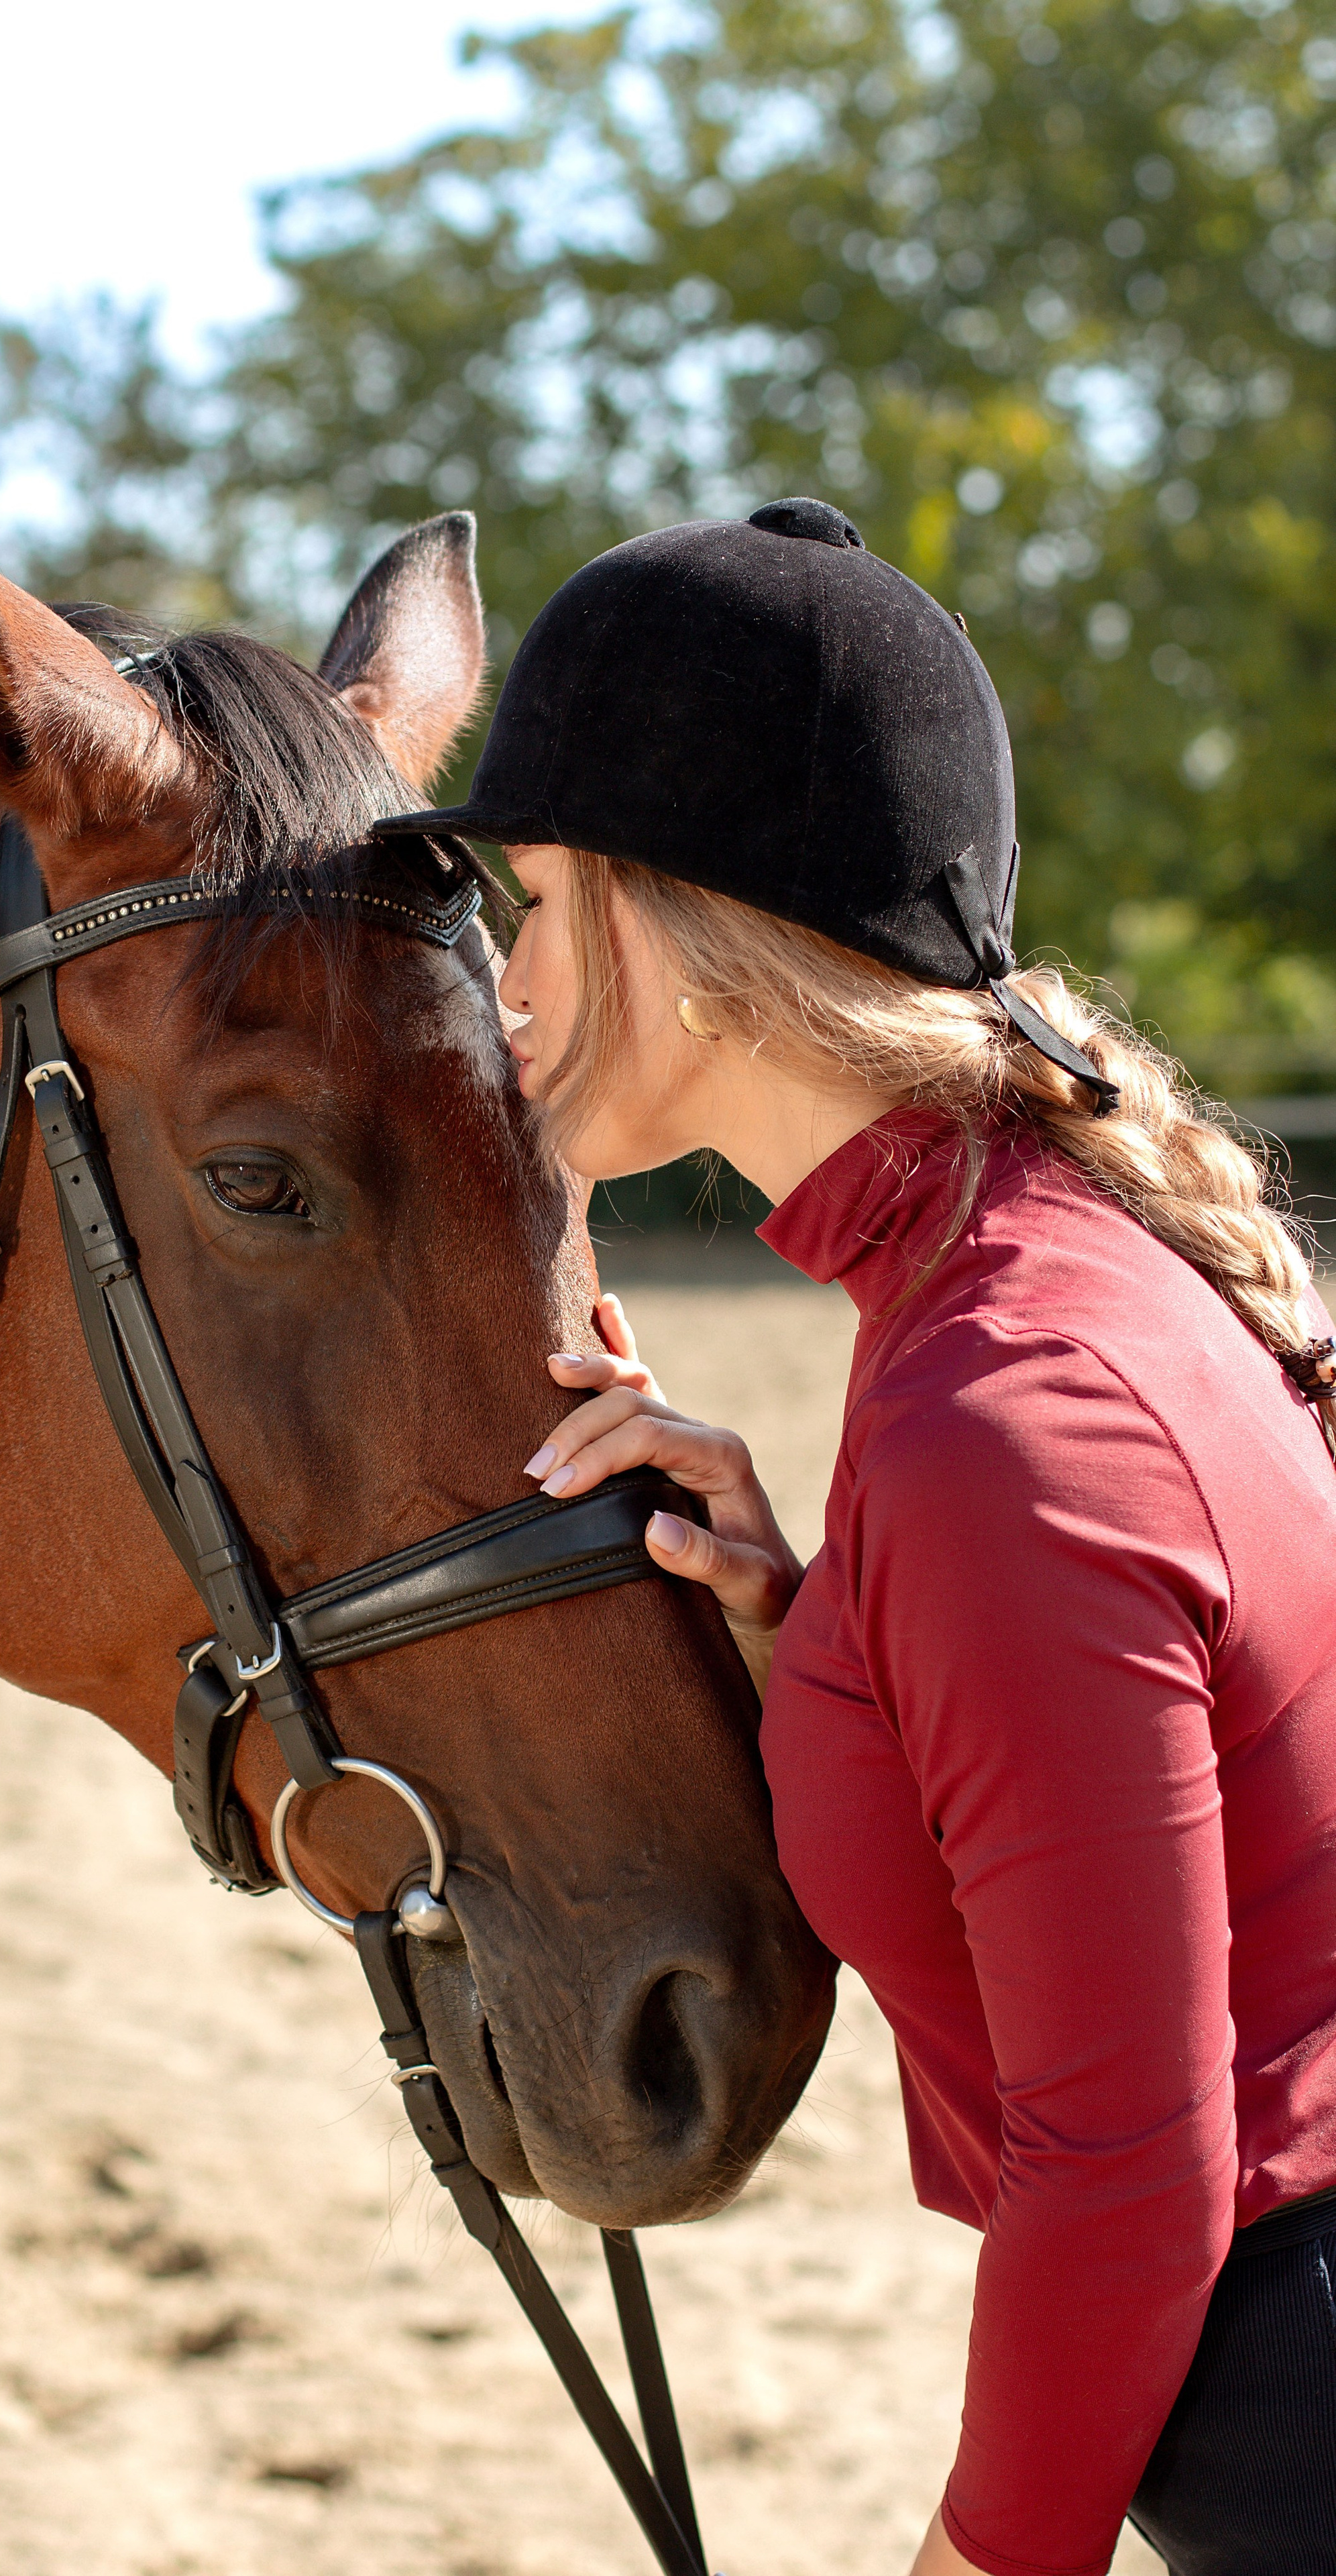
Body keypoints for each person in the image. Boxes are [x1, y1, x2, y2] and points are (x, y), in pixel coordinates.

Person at [378, 498, 1336, 2576]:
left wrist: (982, 2562)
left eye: (538, 906)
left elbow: (1131, 2167)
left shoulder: (1006, 1415)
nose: (511, 988)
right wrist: (821, 1630)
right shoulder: (1037, 1281)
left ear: (682, 922)